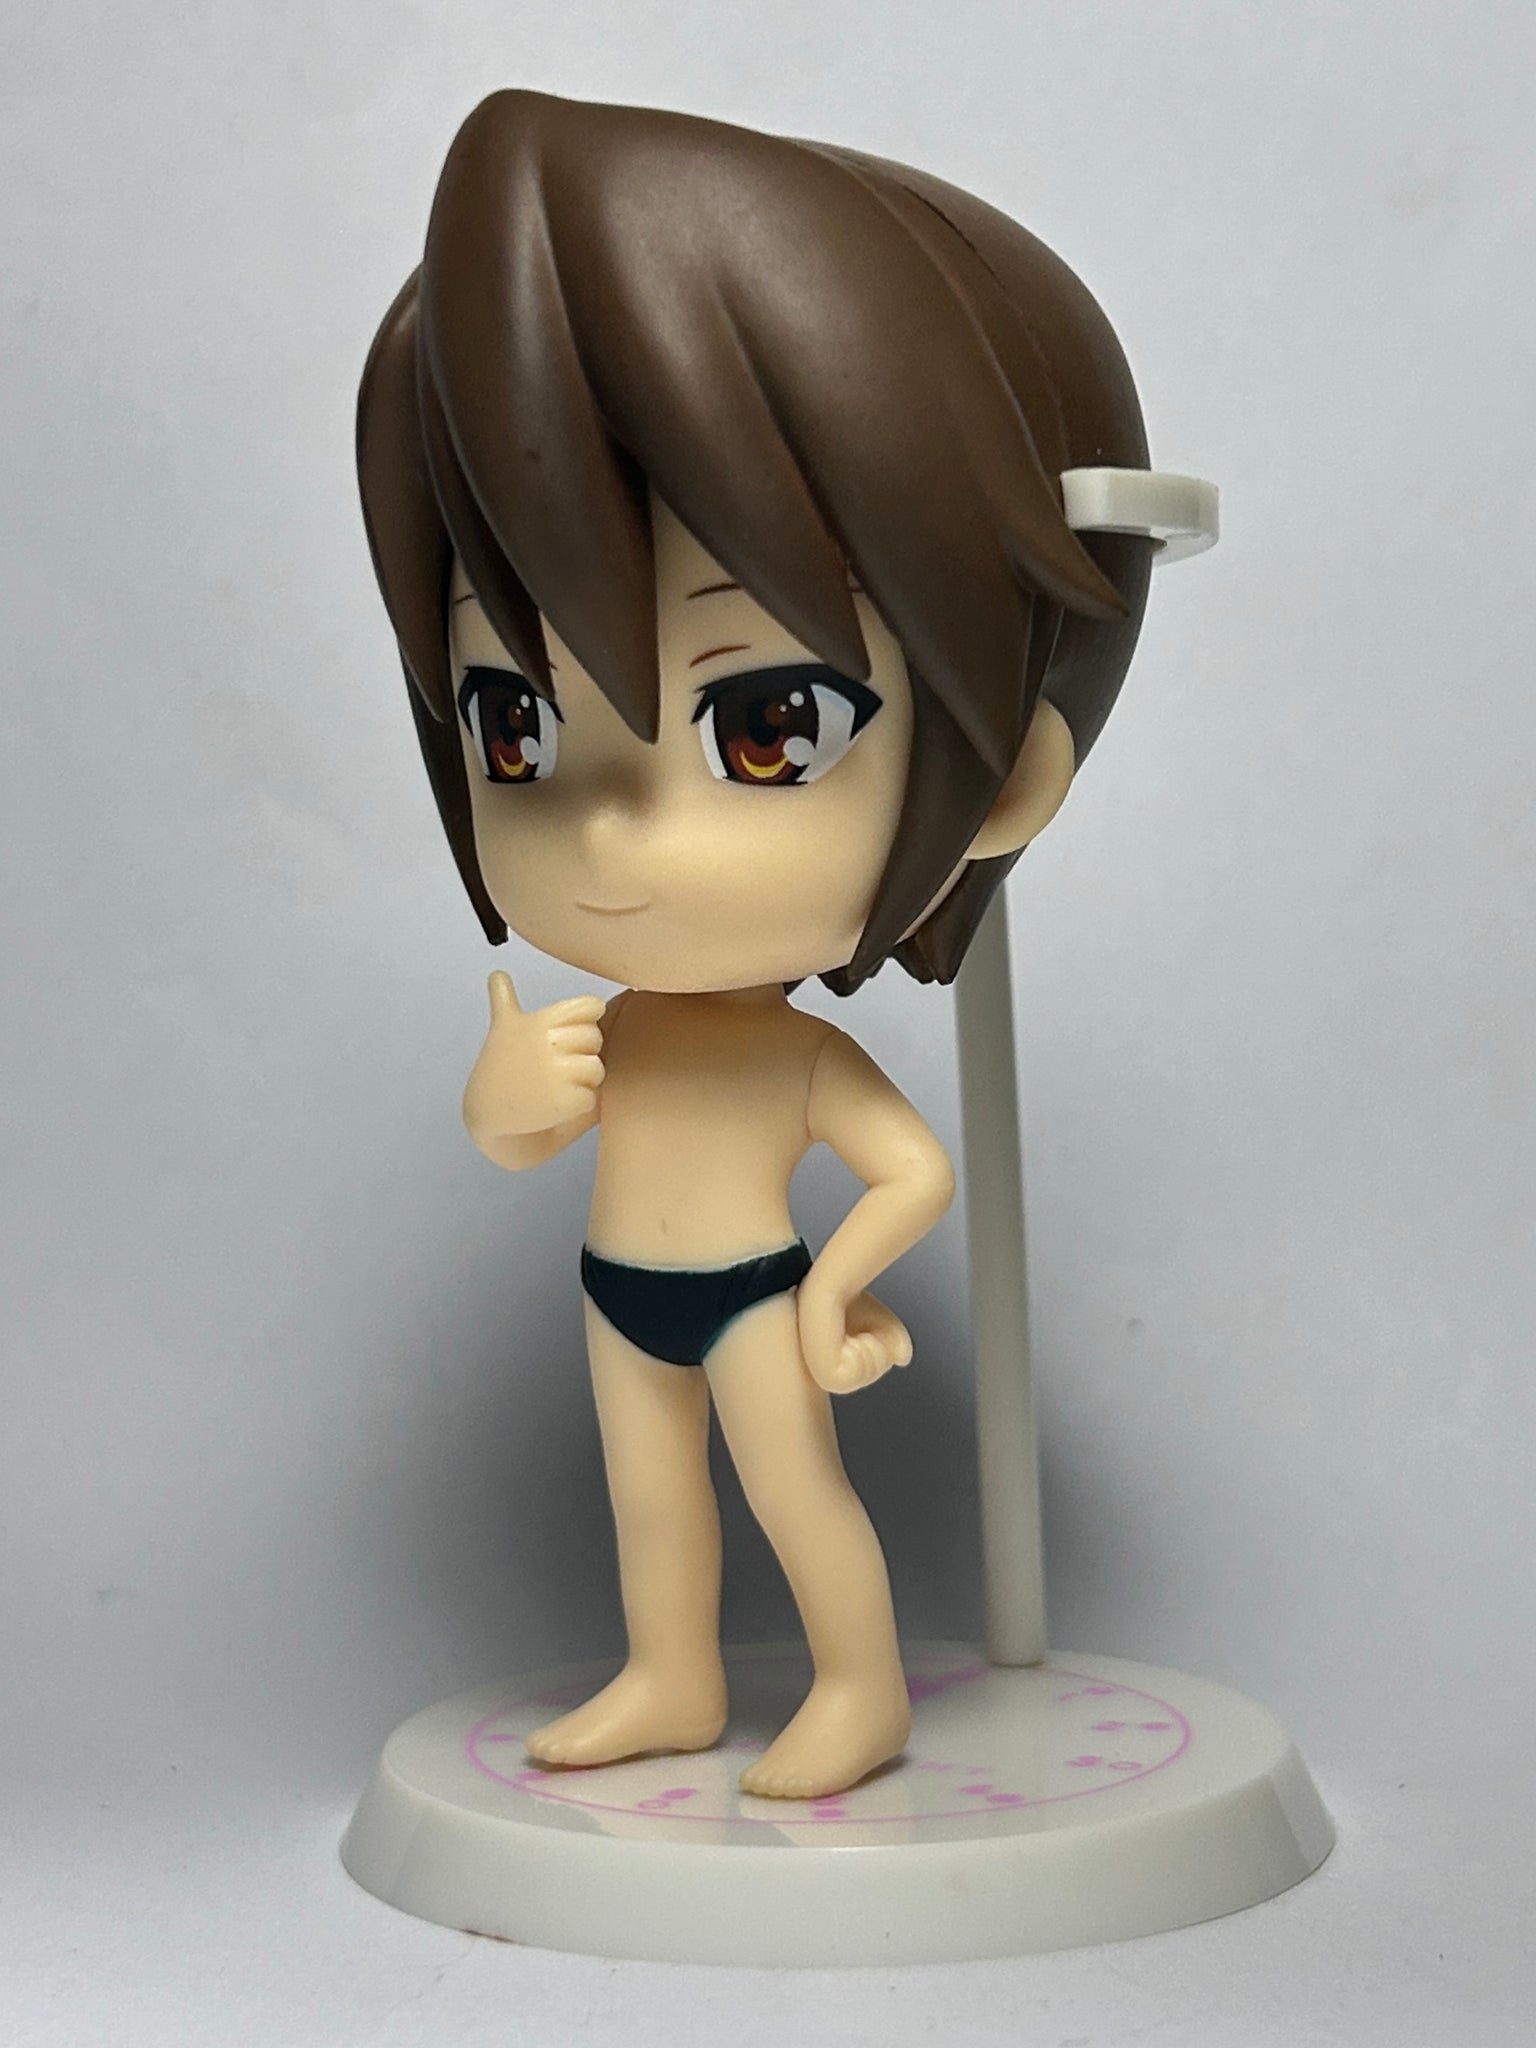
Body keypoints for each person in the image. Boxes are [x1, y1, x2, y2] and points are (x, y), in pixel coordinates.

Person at [357, 88, 1153, 1799]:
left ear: (1006, 768)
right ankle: (669, 1677)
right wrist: (512, 1098)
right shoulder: (629, 1028)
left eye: (769, 725)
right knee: (651, 1499)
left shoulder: (793, 1053)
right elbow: (525, 1141)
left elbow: (913, 1169)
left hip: (752, 1300)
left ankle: (859, 1691)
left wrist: (840, 1289)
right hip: (619, 1294)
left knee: (798, 1496)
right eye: (514, 724)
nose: (611, 836)